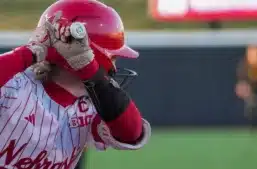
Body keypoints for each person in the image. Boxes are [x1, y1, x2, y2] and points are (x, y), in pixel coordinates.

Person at [0, 0, 151, 168]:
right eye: (112, 58)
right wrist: (30, 53)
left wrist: (89, 69)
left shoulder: (96, 103)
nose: (114, 67)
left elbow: (131, 132)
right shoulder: (16, 85)